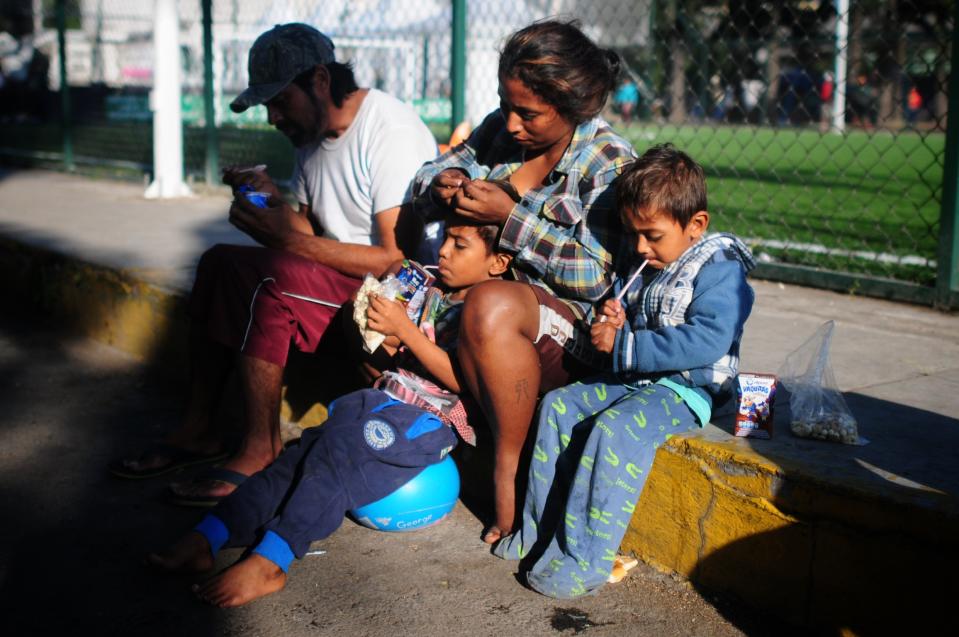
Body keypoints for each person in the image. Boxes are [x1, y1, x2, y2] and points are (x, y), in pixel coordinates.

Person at [109, 23, 438, 504]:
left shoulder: (390, 130)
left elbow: (394, 260)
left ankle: (261, 447)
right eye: (268, 106)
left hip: (385, 300)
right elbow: (309, 228)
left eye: (279, 102)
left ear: (320, 81)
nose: (272, 117)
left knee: (262, 273)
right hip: (332, 281)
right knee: (220, 261)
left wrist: (285, 239)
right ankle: (198, 430)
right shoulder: (311, 134)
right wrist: (269, 208)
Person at [147, 216, 512, 608]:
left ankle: (273, 558)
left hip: (425, 422)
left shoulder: (487, 312)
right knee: (299, 457)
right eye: (447, 240)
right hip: (386, 398)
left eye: (460, 245)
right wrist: (380, 327)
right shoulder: (438, 293)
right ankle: (212, 534)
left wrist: (403, 330)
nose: (443, 251)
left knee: (333, 463)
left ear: (497, 263)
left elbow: (464, 381)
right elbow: (405, 354)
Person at [493, 144, 756, 599]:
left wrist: (627, 345)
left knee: (612, 432)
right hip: (640, 377)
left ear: (696, 225)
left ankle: (583, 560)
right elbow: (633, 324)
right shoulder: (647, 261)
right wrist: (615, 322)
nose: (639, 247)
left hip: (688, 390)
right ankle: (538, 532)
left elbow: (708, 340)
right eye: (634, 234)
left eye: (652, 235)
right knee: (559, 407)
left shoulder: (720, 269)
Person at [410, 20, 636, 544]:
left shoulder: (606, 162)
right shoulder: (499, 131)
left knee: (489, 304)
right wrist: (442, 184)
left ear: (574, 105)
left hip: (568, 334)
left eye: (528, 113)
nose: (511, 124)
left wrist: (512, 217)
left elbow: (598, 275)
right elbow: (427, 174)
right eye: (505, 105)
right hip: (486, 320)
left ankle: (506, 467)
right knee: (386, 303)